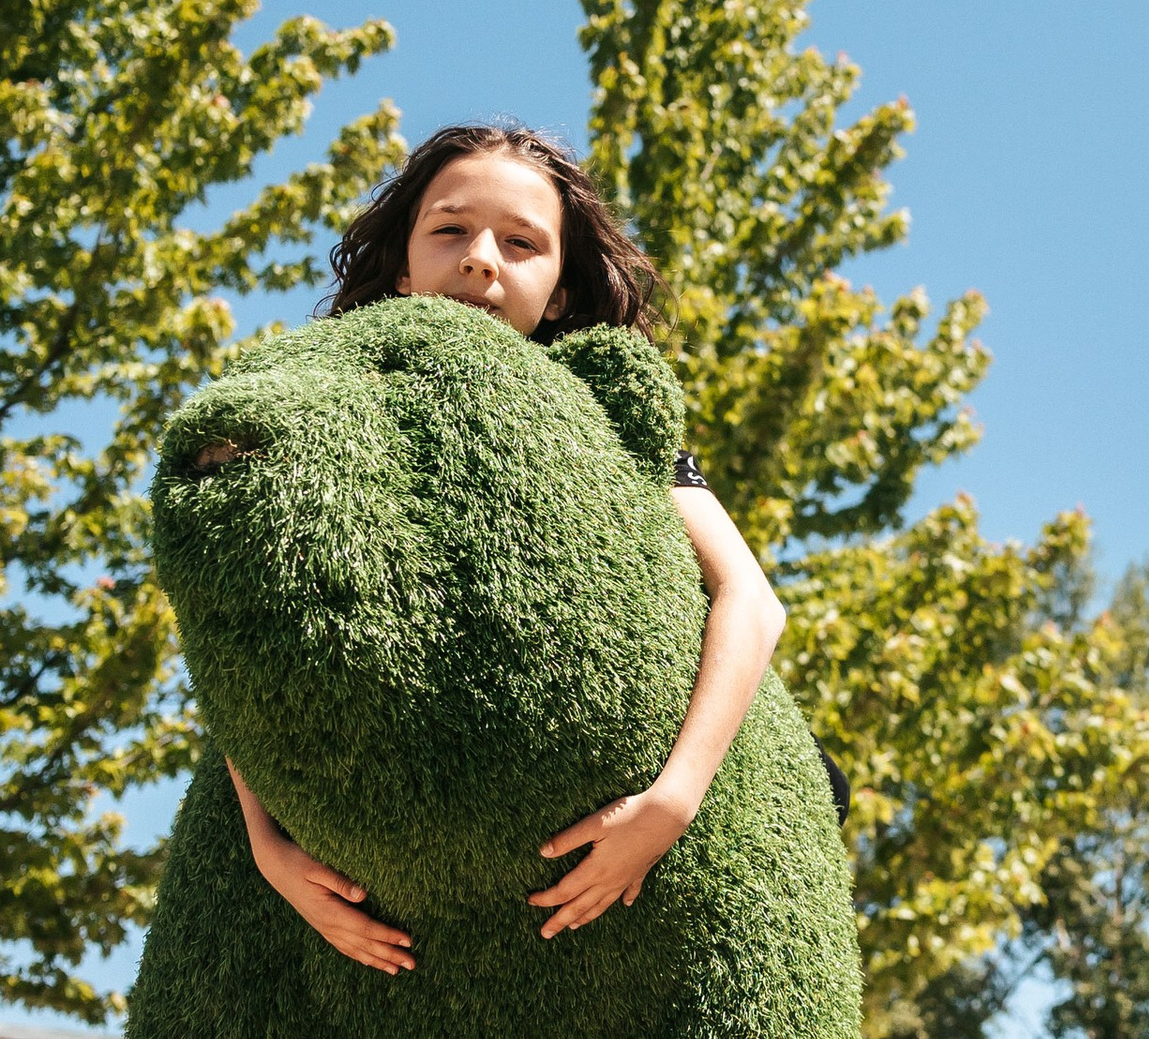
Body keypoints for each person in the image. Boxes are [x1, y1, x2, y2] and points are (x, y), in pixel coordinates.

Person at [224, 123, 788, 977]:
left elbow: (751, 598)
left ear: (560, 291)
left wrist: (672, 802)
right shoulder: (325, 408)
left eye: (522, 242)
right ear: (405, 266)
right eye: (450, 230)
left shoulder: (605, 421)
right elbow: (240, 614)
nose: (482, 258)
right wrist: (265, 844)